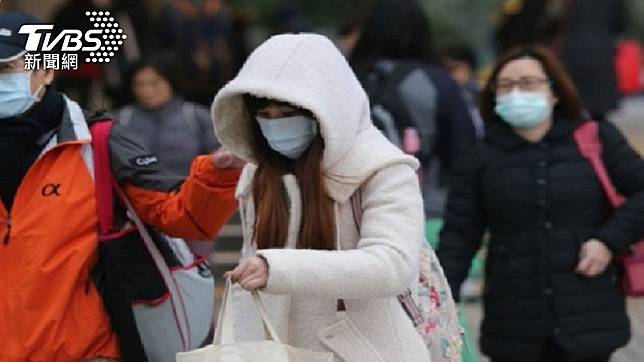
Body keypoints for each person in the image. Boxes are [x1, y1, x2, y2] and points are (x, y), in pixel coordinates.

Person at [0, 11, 242, 362]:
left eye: (6, 68)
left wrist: (215, 175)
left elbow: (183, 216)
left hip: (81, 352)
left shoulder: (95, 142)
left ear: (46, 69)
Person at [211, 33, 430, 362]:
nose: (275, 126)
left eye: (287, 113)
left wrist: (279, 269)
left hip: (362, 351)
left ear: (326, 107)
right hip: (277, 352)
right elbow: (249, 275)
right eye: (265, 115)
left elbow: (392, 264)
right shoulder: (259, 172)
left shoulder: (383, 168)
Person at [437, 45, 644, 362]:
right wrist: (441, 299)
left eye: (529, 82)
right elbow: (459, 235)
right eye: (506, 85)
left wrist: (608, 241)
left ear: (555, 92)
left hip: (588, 313)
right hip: (513, 319)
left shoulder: (596, 138)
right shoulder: (478, 156)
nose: (517, 92)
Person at [349, 0, 477, 227]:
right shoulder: (437, 82)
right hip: (426, 211)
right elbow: (463, 151)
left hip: (356, 211)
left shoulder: (348, 79)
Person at [116, 56, 218, 176]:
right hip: (138, 192)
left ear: (170, 81)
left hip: (189, 189)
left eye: (155, 83)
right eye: (139, 85)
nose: (147, 91)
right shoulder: (120, 120)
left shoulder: (196, 117)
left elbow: (215, 161)